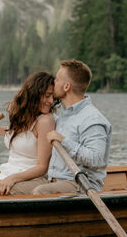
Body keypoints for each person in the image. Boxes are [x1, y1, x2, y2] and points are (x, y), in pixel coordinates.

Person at [30, 58, 111, 195]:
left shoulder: (92, 119)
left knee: (39, 192)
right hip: (53, 181)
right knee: (14, 188)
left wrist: (64, 141)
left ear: (67, 86)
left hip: (81, 184)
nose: (53, 83)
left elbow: (96, 159)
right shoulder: (65, 114)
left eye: (56, 80)